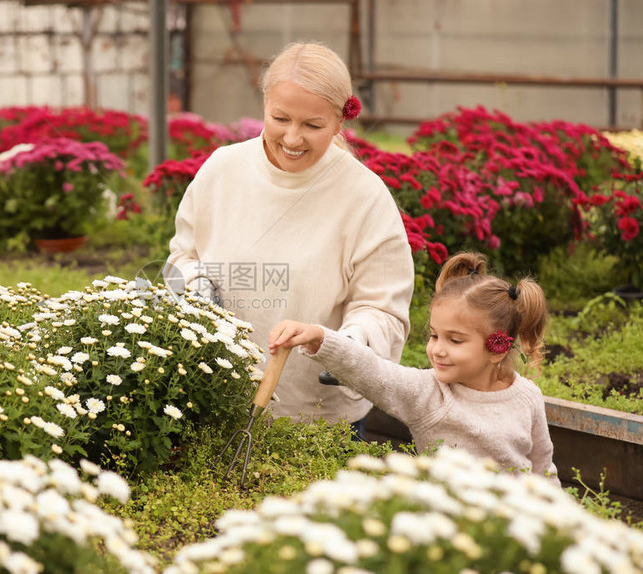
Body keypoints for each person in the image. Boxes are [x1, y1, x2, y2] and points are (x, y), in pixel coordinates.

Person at [166, 41, 414, 436]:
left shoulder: (364, 196)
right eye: (280, 118)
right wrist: (196, 284)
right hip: (215, 399)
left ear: (339, 121)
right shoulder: (222, 170)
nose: (293, 138)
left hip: (318, 419)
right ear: (264, 102)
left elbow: (384, 311)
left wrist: (343, 345)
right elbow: (183, 254)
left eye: (313, 126)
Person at [268, 252, 561, 485]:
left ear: (497, 347)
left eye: (455, 340)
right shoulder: (430, 392)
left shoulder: (526, 396)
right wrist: (321, 337)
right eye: (434, 335)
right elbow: (373, 372)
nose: (437, 349)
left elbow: (542, 469)